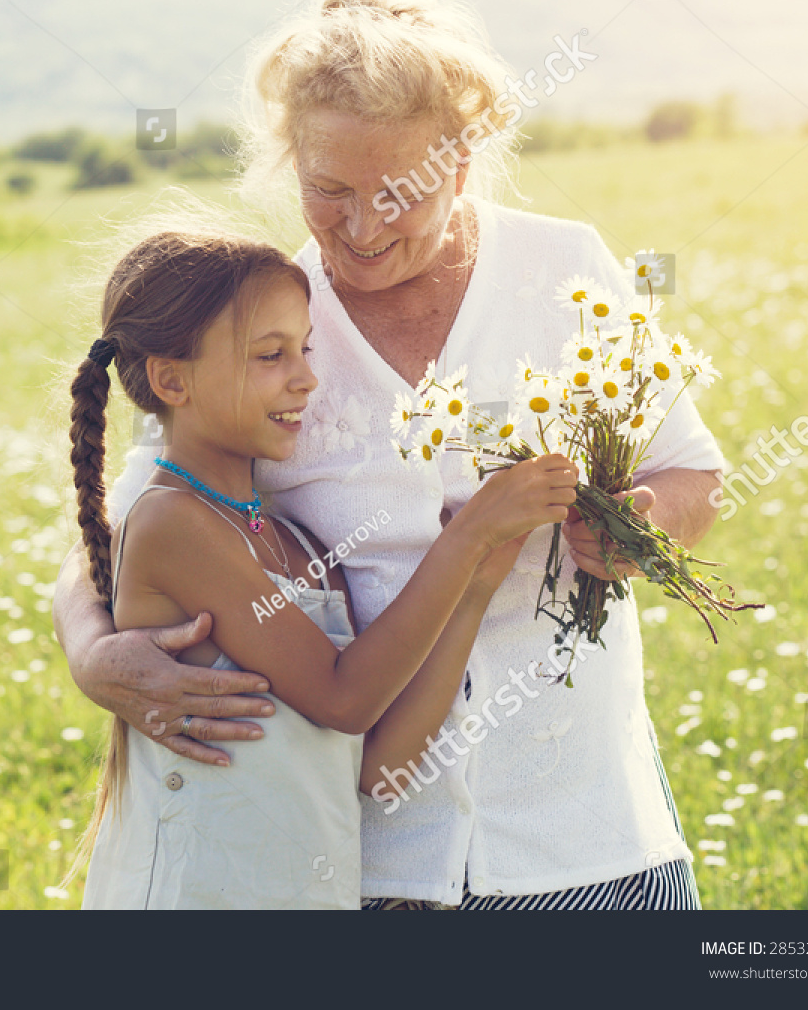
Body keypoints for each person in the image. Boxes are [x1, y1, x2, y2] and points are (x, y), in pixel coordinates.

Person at [53, 0, 726, 909]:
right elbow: (130, 517)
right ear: (292, 158)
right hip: (366, 860)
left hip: (585, 832)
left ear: (464, 155)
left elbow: (695, 474)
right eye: (330, 188)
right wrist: (93, 652)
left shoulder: (563, 269)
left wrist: (639, 522)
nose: (363, 226)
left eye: (400, 192)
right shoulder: (264, 325)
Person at [62, 227, 577, 908]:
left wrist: (478, 579)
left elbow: (377, 765)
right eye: (270, 354)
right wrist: (468, 534)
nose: (305, 376)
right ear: (170, 379)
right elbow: (343, 695)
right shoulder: (171, 521)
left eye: (304, 349)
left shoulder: (296, 545)